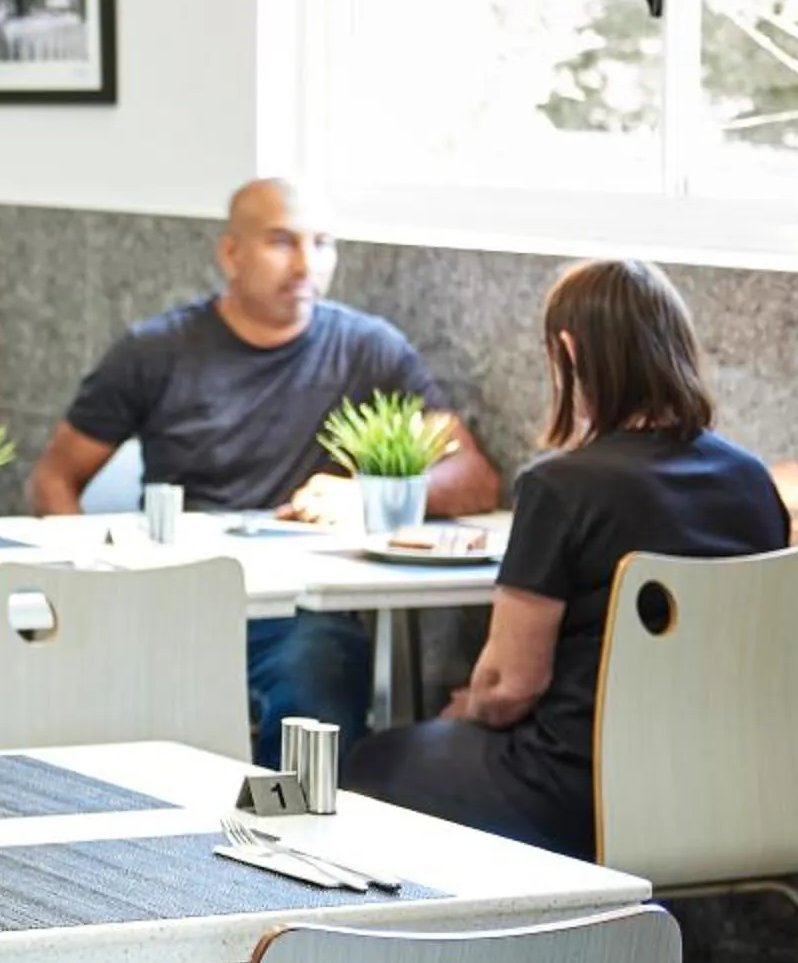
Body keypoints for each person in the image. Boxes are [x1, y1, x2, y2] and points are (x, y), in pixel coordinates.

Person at [26, 178, 500, 751]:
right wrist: (98, 588)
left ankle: (288, 832)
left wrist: (367, 498)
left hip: (303, 612)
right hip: (183, 598)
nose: (306, 265)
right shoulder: (154, 351)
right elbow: (54, 477)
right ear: (231, 254)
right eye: (282, 242)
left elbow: (474, 479)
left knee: (319, 672)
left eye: (322, 243)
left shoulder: (370, 350)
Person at [352, 260, 788, 856]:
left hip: (573, 794)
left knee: (373, 760)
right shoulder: (752, 483)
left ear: (569, 351)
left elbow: (509, 688)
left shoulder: (561, 488)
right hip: (736, 791)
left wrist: (466, 706)